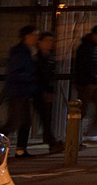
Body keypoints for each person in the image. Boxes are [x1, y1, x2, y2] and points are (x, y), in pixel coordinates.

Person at [3, 26, 39, 157]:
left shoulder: (29, 51)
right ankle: (18, 148)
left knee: (25, 122)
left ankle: (21, 149)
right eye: (34, 35)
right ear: (27, 36)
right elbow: (14, 73)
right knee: (14, 122)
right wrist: (31, 78)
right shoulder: (20, 53)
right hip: (17, 92)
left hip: (24, 92)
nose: (36, 38)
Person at [72, 24, 97, 139]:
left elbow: (94, 65)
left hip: (94, 82)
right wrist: (92, 80)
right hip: (87, 83)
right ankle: (76, 135)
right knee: (82, 110)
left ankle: (87, 132)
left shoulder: (94, 47)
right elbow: (84, 67)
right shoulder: (85, 48)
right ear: (95, 35)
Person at [33, 30, 63, 154]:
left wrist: (50, 91)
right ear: (40, 42)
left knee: (46, 117)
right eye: (47, 41)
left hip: (43, 91)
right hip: (37, 91)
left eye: (52, 41)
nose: (50, 44)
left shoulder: (49, 58)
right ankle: (51, 142)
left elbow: (50, 77)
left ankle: (51, 141)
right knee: (43, 117)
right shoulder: (37, 58)